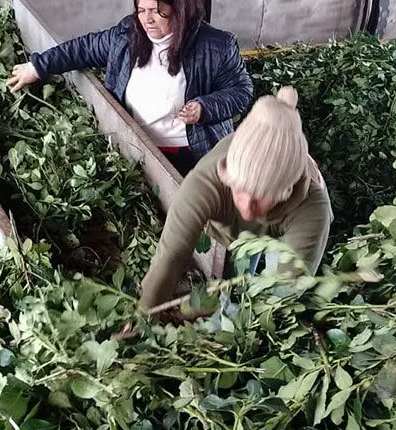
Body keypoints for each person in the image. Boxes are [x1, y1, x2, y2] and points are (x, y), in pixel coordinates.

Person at [7, 0, 253, 176]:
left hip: (192, 155)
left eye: (158, 11)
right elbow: (82, 49)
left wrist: (204, 107)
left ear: (178, 8)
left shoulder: (215, 45)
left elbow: (242, 91)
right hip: (134, 152)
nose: (148, 19)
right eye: (141, 10)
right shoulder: (126, 35)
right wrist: (38, 67)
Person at [134, 85, 332, 321]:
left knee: (273, 290)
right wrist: (143, 317)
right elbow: (171, 255)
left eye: (261, 197)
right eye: (240, 190)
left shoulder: (311, 210)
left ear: (284, 192)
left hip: (286, 229)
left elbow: (280, 297)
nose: (247, 207)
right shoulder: (206, 181)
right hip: (235, 224)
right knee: (237, 269)